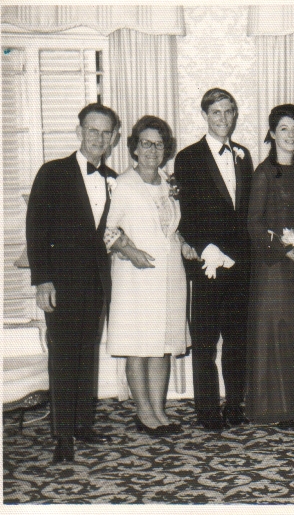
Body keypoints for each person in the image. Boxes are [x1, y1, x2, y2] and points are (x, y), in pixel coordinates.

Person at [26, 103, 120, 463]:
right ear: (79, 132)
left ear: (112, 137)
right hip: (61, 283)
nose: (99, 138)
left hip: (96, 282)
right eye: (92, 130)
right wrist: (42, 281)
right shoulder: (52, 173)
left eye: (106, 132)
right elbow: (36, 229)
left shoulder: (113, 177)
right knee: (64, 356)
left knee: (87, 353)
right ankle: (62, 436)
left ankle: (83, 424)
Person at [104, 115, 195, 436]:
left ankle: (159, 410)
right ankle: (144, 413)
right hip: (136, 278)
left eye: (159, 144)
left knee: (163, 344)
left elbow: (169, 227)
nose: (153, 150)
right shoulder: (124, 184)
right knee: (139, 344)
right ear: (135, 148)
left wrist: (183, 244)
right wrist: (131, 253)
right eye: (146, 143)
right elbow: (108, 230)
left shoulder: (169, 182)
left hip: (170, 276)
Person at [175, 89, 254, 431]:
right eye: (217, 112)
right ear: (205, 115)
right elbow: (185, 211)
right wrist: (204, 247)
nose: (223, 119)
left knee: (237, 340)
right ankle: (207, 411)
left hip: (238, 264)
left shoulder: (243, 155)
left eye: (229, 112)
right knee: (205, 343)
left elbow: (245, 211)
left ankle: (235, 405)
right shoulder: (188, 157)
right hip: (206, 263)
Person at [246, 104, 294, 428]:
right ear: (272, 133)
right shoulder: (264, 173)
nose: (290, 135)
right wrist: (285, 250)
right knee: (275, 334)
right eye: (284, 129)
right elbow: (254, 224)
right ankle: (274, 409)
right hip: (274, 267)